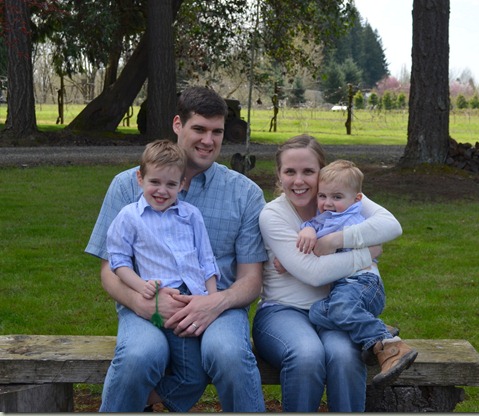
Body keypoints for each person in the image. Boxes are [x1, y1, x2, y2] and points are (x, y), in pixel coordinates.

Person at [85, 86, 268, 412]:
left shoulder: (245, 194)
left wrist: (214, 303)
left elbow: (252, 280)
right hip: (146, 302)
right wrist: (142, 304)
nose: (208, 141)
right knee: (139, 355)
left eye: (217, 132)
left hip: (220, 305)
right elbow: (108, 270)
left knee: (230, 355)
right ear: (177, 124)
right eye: (199, 129)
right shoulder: (127, 185)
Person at [252, 134, 403, 412]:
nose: (299, 181)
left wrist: (334, 240)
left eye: (308, 171)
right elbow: (313, 273)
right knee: (306, 355)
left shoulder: (339, 195)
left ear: (321, 172)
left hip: (333, 311)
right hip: (283, 311)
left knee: (345, 356)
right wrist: (366, 253)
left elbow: (391, 226)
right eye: (290, 172)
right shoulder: (273, 214)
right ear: (279, 175)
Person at [106, 140, 220, 405]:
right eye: (154, 182)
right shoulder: (130, 217)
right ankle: (125, 404)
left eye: (171, 184)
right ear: (140, 178)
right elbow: (118, 261)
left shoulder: (191, 215)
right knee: (187, 374)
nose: (162, 190)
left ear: (182, 184)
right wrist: (141, 286)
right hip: (158, 298)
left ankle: (135, 402)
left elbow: (206, 260)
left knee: (196, 373)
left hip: (192, 301)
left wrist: (211, 299)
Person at [289, 159, 418, 388]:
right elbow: (312, 228)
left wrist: (327, 241)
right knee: (317, 312)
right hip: (344, 288)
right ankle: (373, 328)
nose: (328, 203)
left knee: (339, 309)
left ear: (357, 199)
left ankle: (392, 348)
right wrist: (307, 230)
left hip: (363, 283)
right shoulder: (325, 217)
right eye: (322, 196)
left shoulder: (354, 219)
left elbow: (384, 231)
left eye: (337, 197)